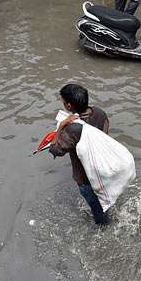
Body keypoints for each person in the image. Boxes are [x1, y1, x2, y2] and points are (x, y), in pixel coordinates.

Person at [49, 84, 110, 225]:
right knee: (105, 199)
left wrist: (62, 126)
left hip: (86, 177)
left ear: (69, 106)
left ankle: (103, 227)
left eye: (63, 102)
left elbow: (55, 150)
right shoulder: (100, 113)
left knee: (97, 208)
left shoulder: (72, 129)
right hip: (104, 170)